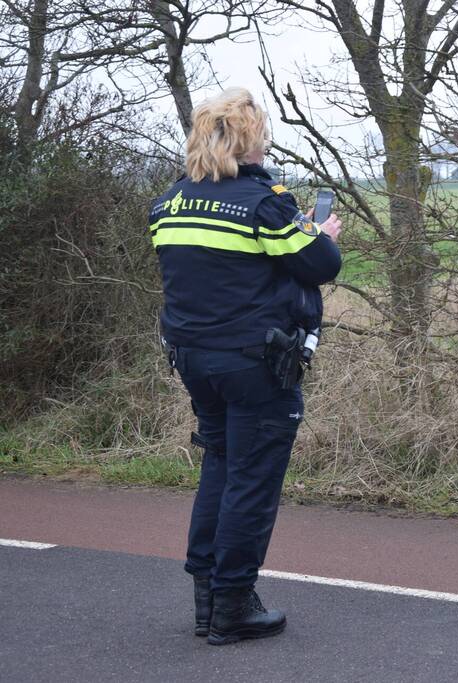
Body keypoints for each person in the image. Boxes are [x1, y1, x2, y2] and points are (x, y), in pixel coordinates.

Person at [148, 87, 342, 645]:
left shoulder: (169, 204)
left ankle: (207, 600)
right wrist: (318, 232)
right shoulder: (262, 203)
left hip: (194, 360)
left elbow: (216, 269)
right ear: (248, 139)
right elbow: (319, 264)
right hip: (255, 364)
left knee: (221, 465)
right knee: (252, 481)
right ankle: (234, 605)